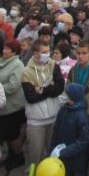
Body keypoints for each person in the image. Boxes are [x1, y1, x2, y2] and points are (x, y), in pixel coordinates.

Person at [21, 38, 65, 166]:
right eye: (44, 52)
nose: (48, 54)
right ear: (36, 54)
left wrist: (42, 90)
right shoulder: (27, 72)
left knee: (52, 153)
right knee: (36, 155)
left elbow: (59, 87)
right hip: (36, 120)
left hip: (53, 117)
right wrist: (49, 89)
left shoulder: (53, 66)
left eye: (48, 51)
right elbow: (31, 97)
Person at [49, 83, 89, 176]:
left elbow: (83, 141)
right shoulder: (63, 110)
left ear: (73, 97)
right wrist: (52, 149)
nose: (64, 95)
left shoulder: (82, 116)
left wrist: (64, 152)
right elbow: (56, 131)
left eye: (66, 94)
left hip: (78, 161)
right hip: (64, 158)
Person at [0, 39, 26, 170]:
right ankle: (10, 156)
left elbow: (13, 86)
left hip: (12, 107)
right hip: (0, 107)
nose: (4, 51)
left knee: (13, 135)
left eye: (7, 49)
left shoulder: (17, 64)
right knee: (5, 134)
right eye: (4, 48)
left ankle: (18, 156)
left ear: (14, 52)